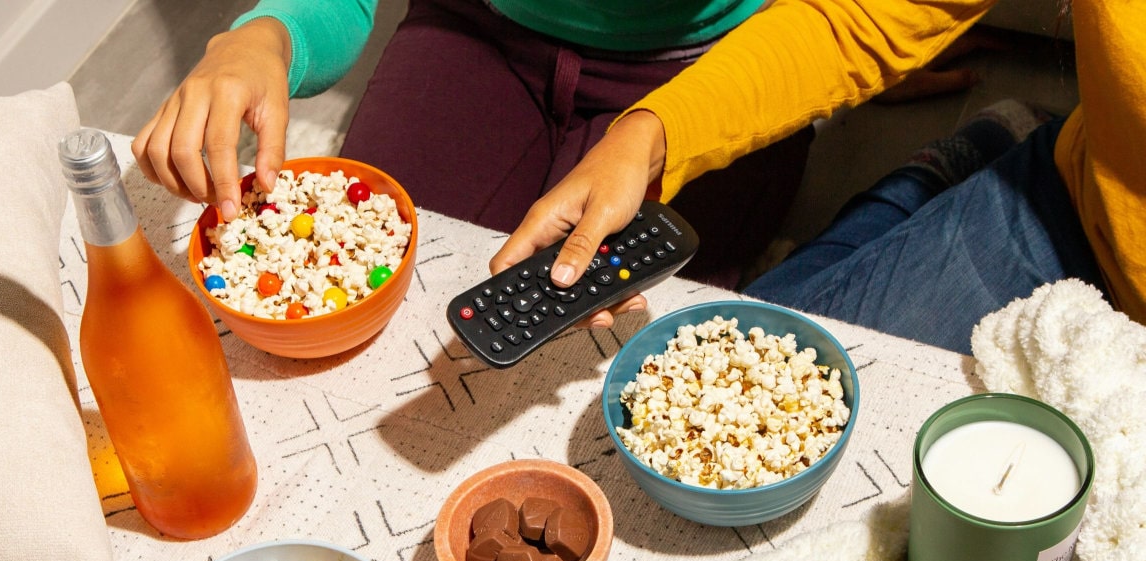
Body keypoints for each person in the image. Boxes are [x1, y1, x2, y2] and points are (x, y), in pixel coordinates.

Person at [133, 0, 978, 289]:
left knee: (622, 341)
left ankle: (939, 164)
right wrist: (269, 34)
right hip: (479, 30)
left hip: (706, 65)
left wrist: (653, 137)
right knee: (376, 269)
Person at [491, 0, 1145, 355]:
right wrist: (652, 134)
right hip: (1075, 206)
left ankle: (943, 178)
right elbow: (864, 16)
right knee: (731, 366)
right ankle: (965, 164)